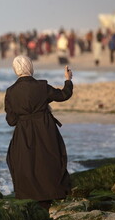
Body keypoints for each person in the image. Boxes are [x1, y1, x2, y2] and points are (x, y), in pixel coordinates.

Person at [4, 55, 73, 211]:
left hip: (23, 132)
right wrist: (68, 80)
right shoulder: (41, 87)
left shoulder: (10, 92)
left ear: (15, 70)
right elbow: (63, 95)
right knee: (49, 159)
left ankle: (29, 198)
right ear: (30, 67)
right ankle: (52, 194)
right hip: (45, 129)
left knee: (25, 163)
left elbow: (11, 121)